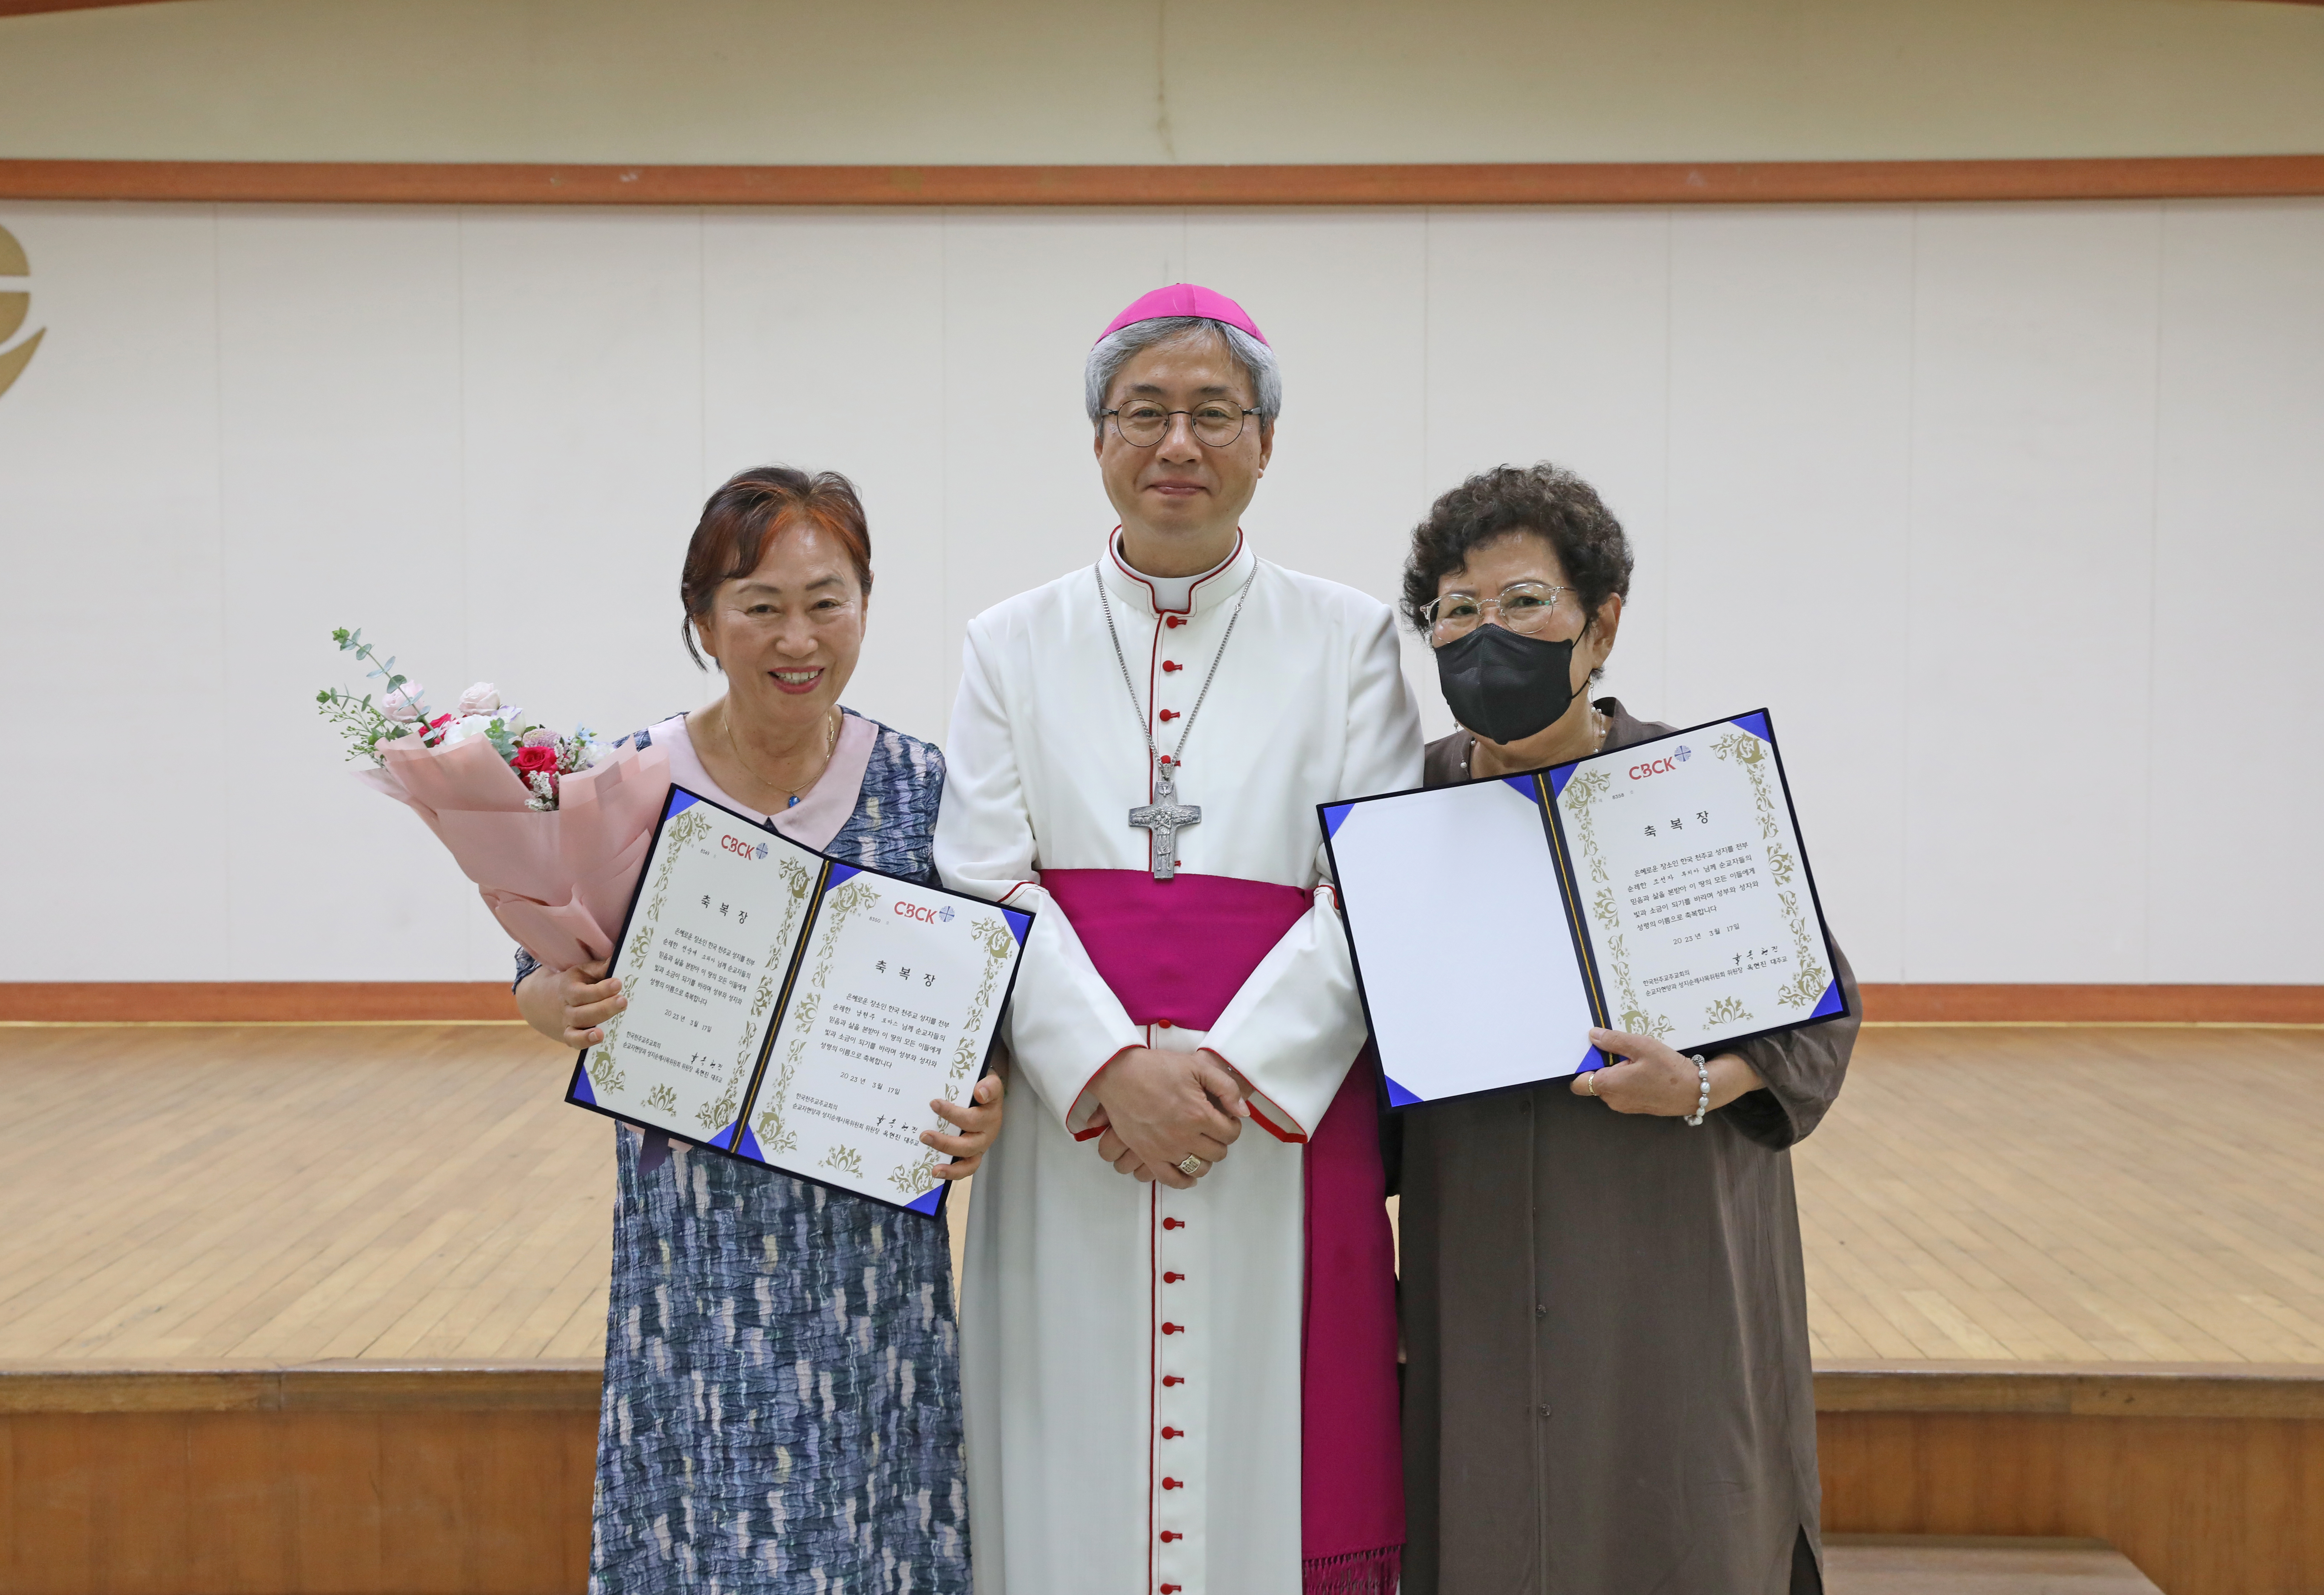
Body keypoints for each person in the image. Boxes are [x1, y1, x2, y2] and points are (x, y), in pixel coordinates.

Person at [933, 285, 1420, 1595]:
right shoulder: (1009, 643)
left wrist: (1226, 1079)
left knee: (1274, 1446)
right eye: (1144, 412)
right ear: (1098, 437)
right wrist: (1108, 1067)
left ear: (1267, 442)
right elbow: (982, 876)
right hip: (1076, 1129)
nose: (1179, 445)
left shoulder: (1353, 639)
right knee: (1066, 1449)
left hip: (1266, 1132)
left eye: (1216, 414)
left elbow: (1368, 886)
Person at [512, 466, 1003, 1594]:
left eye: (828, 602)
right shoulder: (626, 786)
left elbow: (986, 1004)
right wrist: (554, 1005)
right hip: (696, 1246)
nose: (799, 637)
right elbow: (539, 973)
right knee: (702, 1518)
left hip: (869, 1248)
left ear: (866, 611)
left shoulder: (925, 787)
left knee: (875, 1517)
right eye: (760, 604)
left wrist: (990, 1101)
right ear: (703, 621)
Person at [1392, 463, 1860, 1595]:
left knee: (1680, 1508)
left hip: (1667, 1238)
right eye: (1457, 610)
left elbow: (1819, 1018)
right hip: (1481, 1239)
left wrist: (1705, 1083)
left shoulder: (1694, 788)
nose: (1485, 633)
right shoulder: (1404, 809)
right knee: (1493, 1510)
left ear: (1601, 625)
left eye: (1523, 602)